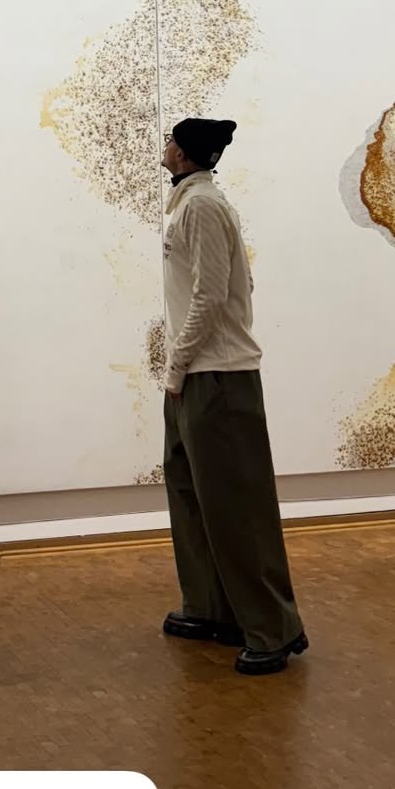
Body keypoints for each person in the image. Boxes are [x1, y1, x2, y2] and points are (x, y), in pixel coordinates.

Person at [160, 117, 307, 677]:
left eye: (172, 139)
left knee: (237, 507)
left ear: (186, 153)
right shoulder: (188, 203)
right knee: (191, 493)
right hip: (195, 373)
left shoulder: (202, 206)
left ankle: (273, 628)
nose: (165, 146)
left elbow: (213, 295)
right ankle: (212, 607)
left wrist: (178, 364)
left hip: (217, 376)